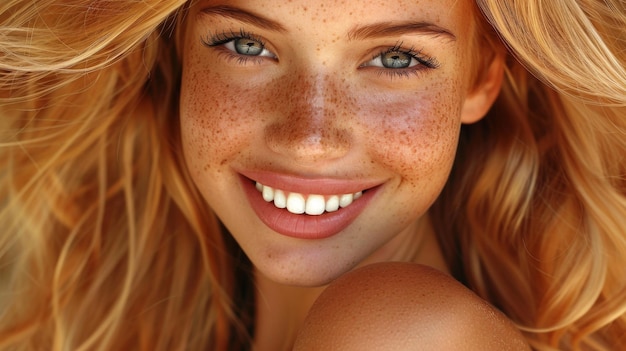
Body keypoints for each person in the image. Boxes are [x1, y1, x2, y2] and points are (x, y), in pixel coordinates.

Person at [0, 0, 624, 350]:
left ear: (483, 77)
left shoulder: (401, 336)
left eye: (395, 57)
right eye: (247, 46)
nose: (310, 137)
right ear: (179, 48)